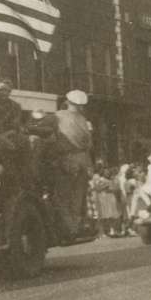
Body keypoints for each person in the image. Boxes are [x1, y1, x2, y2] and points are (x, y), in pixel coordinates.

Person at [52, 90, 93, 238]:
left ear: (67, 101)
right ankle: (76, 226)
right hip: (83, 160)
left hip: (67, 159)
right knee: (78, 196)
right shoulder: (84, 121)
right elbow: (89, 144)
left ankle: (69, 227)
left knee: (61, 196)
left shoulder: (58, 116)